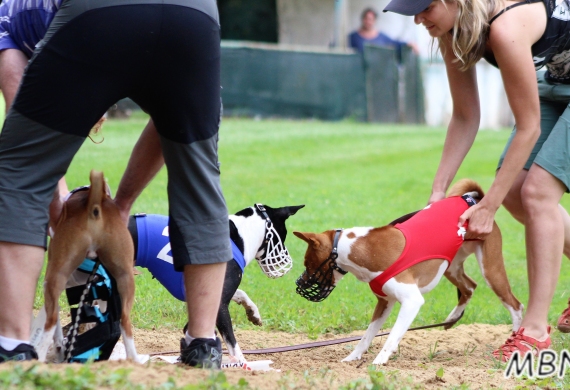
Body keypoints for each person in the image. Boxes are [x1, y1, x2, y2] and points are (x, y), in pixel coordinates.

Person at [0, 0, 230, 369]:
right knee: (199, 178)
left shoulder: (7, 18)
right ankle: (203, 343)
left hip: (98, 12)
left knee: (17, 173)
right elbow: (170, 126)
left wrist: (57, 197)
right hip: (194, 13)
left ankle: (12, 346)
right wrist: (122, 203)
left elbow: (27, 142)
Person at [383, 0, 570, 361]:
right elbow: (466, 116)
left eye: (425, 8)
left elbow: (528, 128)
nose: (419, 19)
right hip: (556, 83)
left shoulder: (505, 27)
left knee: (537, 192)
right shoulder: (451, 32)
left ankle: (533, 331)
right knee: (516, 194)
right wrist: (438, 191)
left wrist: (488, 206)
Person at [348, 7, 418, 59]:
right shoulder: (353, 37)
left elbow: (395, 44)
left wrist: (409, 44)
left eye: (370, 19)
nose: (368, 22)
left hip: (378, 72)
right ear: (362, 19)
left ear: (375, 20)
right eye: (366, 19)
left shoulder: (382, 37)